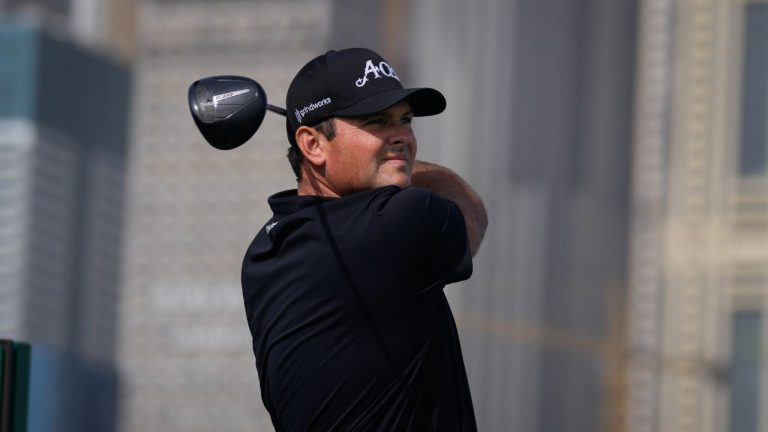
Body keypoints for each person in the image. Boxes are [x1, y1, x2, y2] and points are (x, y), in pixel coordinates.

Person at [241, 47, 488, 431]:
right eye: (377, 122)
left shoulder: (264, 251)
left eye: (405, 120)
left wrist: (382, 159)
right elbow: (471, 212)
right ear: (312, 145)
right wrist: (398, 166)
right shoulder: (401, 222)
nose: (402, 137)